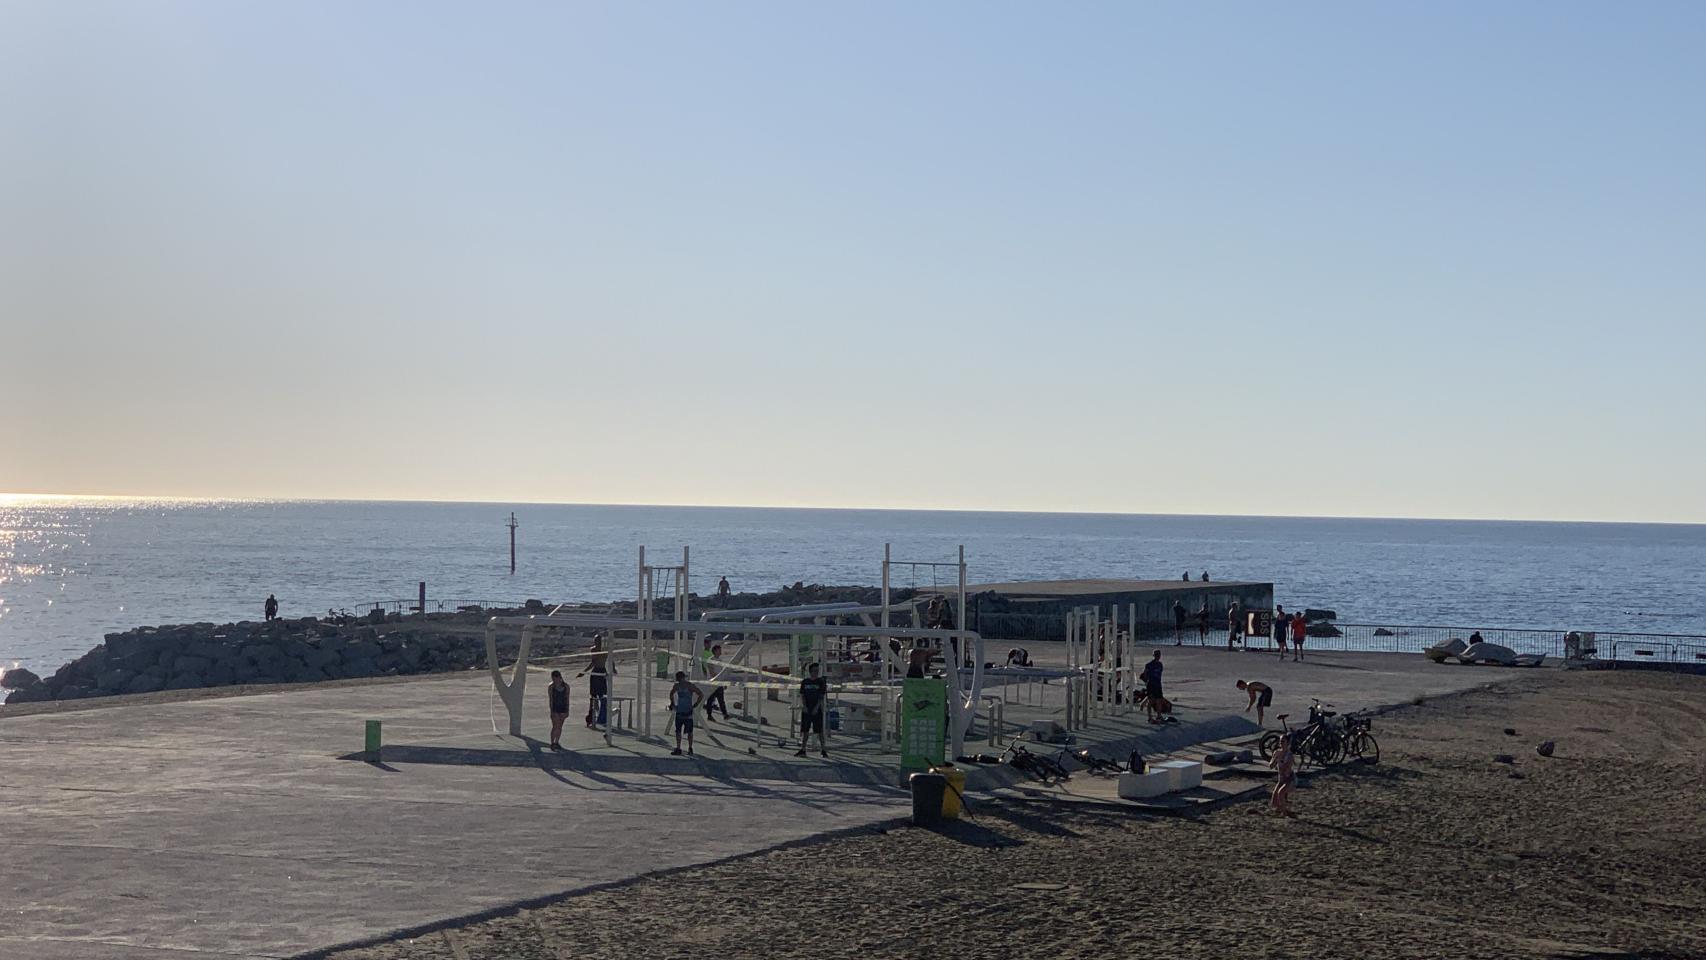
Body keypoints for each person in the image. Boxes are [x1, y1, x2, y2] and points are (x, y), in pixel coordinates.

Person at [577, 636, 615, 728]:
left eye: (598, 640)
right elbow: (593, 662)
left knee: (603, 696)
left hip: (602, 671)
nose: (597, 642)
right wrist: (584, 672)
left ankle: (602, 718)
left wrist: (613, 668)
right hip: (596, 672)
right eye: (595, 640)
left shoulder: (605, 649)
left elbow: (611, 659)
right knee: (593, 697)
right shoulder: (593, 649)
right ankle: (591, 718)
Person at [795, 662, 829, 758]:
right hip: (807, 709)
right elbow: (802, 694)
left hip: (816, 709)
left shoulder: (820, 682)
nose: (816, 673)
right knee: (805, 730)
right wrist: (804, 706)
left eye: (817, 671)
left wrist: (817, 707)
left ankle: (823, 750)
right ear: (810, 672)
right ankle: (803, 749)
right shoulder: (805, 682)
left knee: (819, 731)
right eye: (814, 671)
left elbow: (821, 696)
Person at [667, 671, 703, 755]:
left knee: (681, 730)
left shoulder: (680, 686)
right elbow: (700, 694)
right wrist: (696, 704)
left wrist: (672, 703)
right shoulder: (688, 685)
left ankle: (681, 748)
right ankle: (688, 748)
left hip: (682, 710)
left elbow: (671, 694)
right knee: (686, 731)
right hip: (686, 710)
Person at [1269, 731, 1296, 816]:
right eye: (1280, 741)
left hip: (1290, 779)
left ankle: (1285, 813)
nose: (1281, 743)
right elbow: (1271, 766)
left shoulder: (1290, 755)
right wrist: (1275, 759)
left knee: (1280, 793)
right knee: (1274, 803)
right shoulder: (1277, 752)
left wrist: (1281, 761)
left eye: (1283, 741)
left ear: (1288, 743)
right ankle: (1283, 808)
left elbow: (1287, 771)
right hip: (1281, 780)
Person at [703, 644, 730, 722]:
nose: (720, 652)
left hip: (719, 683)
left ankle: (725, 714)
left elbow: (721, 672)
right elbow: (712, 672)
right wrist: (717, 679)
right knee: (710, 700)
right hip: (712, 683)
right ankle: (709, 715)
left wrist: (723, 682)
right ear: (715, 651)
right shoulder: (710, 660)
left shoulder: (720, 661)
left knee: (721, 700)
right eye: (719, 650)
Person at [546, 670, 571, 751]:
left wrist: (567, 710)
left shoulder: (566, 686)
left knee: (560, 726)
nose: (554, 680)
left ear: (559, 677)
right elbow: (551, 699)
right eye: (553, 678)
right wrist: (551, 711)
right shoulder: (551, 687)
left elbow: (567, 698)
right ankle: (552, 742)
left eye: (555, 678)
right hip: (555, 708)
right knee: (555, 726)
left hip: (563, 708)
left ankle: (557, 742)